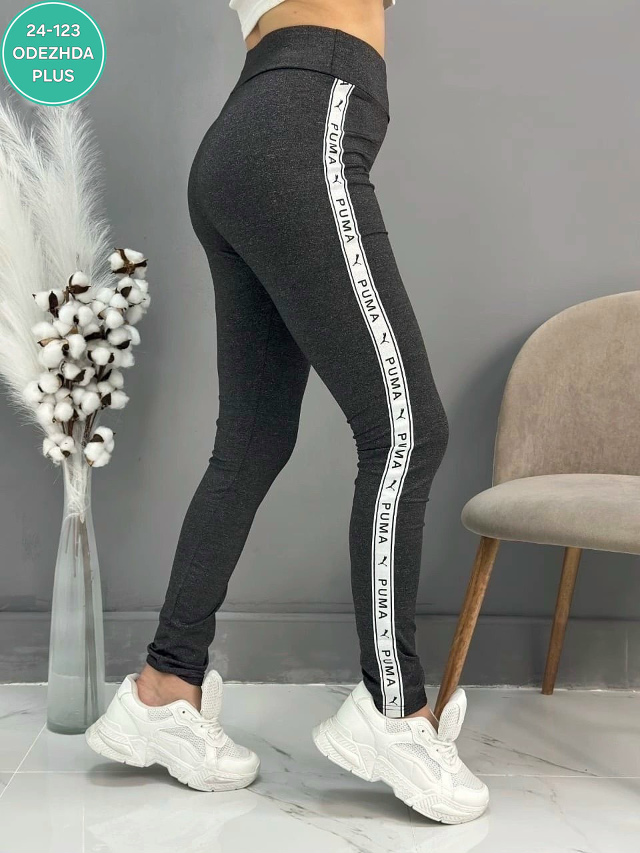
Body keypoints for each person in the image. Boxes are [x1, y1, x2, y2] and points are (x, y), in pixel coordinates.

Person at [86, 0, 489, 823]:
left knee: (252, 440)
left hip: (249, 131)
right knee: (407, 430)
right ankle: (395, 709)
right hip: (308, 114)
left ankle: (164, 685)